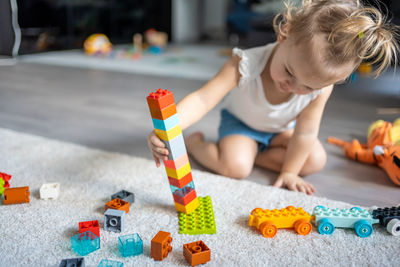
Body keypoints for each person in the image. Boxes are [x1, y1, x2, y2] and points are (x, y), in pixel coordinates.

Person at [148, 0, 399, 195]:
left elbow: (305, 133)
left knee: (315, 159)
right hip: (241, 126)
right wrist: (167, 128)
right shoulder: (243, 64)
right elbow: (203, 99)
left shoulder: (321, 89)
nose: (294, 87)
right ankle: (196, 145)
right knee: (235, 169)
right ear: (285, 33)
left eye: (309, 87)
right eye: (289, 71)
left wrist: (290, 172)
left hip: (281, 132)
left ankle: (253, 154)